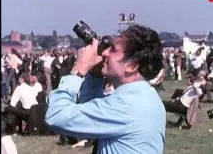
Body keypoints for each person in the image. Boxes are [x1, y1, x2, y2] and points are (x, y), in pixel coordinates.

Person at [45, 24, 166, 154]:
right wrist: (95, 76)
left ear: (132, 66)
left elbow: (56, 116)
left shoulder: (125, 106)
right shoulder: (144, 98)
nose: (104, 53)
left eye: (113, 49)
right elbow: (89, 122)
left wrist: (78, 70)